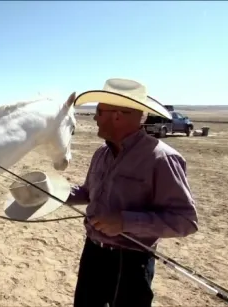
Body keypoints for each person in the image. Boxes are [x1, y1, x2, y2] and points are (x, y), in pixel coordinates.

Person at [68, 78, 199, 307]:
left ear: (117, 115)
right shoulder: (101, 154)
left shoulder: (162, 159)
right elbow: (89, 192)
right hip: (92, 254)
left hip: (130, 263)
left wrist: (124, 222)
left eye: (99, 111)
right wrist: (55, 192)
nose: (95, 118)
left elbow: (185, 221)